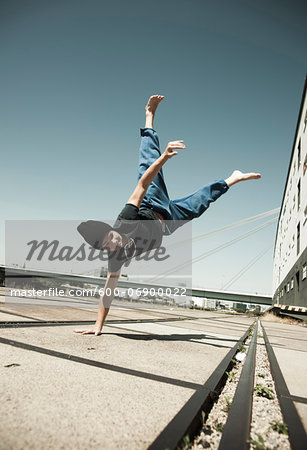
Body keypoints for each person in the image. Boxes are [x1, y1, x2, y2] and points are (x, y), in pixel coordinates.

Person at [74, 95, 261, 336]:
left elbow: (142, 184)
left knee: (148, 165)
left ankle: (149, 116)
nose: (114, 242)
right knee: (198, 205)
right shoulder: (115, 258)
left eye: (111, 237)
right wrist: (98, 326)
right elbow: (108, 290)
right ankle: (232, 179)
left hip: (153, 203)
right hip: (167, 223)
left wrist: (163, 158)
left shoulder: (125, 219)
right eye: (108, 245)